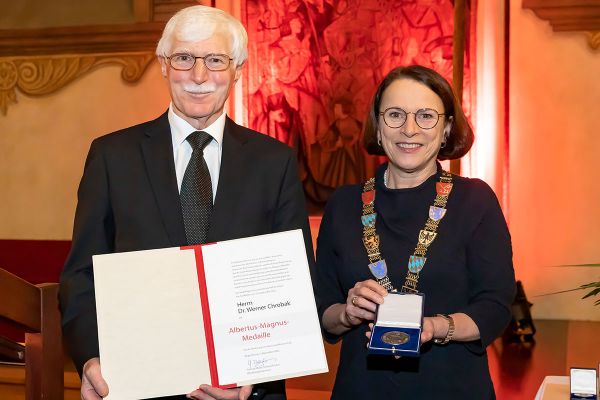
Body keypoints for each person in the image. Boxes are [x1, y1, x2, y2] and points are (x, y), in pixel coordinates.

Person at [59, 5, 312, 400]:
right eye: (184, 58)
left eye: (215, 60)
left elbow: (296, 282)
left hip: (246, 390)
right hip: (138, 386)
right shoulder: (112, 157)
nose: (198, 76)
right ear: (163, 64)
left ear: (238, 69)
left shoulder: (275, 161)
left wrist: (259, 372)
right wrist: (91, 359)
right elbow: (81, 275)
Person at [315, 65, 516, 399]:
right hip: (361, 388)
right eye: (395, 115)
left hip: (452, 388)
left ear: (447, 128)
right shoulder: (342, 204)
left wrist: (434, 327)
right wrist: (348, 312)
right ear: (378, 127)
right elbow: (324, 314)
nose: (409, 129)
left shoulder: (475, 201)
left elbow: (495, 308)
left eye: (426, 116)